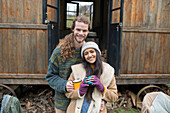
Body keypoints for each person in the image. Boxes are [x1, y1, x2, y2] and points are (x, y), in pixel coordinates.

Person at [46, 15, 90, 113]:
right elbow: (50, 76)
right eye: (78, 29)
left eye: (84, 31)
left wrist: (100, 98)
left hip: (83, 102)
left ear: (88, 32)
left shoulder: (90, 52)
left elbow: (98, 76)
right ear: (73, 29)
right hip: (63, 102)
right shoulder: (58, 52)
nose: (81, 33)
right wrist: (64, 84)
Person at [65, 42, 118, 113]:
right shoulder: (76, 70)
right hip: (76, 109)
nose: (89, 55)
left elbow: (114, 97)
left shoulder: (108, 71)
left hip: (98, 109)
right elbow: (68, 93)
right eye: (86, 53)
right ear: (83, 57)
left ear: (97, 53)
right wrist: (80, 91)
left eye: (92, 51)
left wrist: (102, 88)